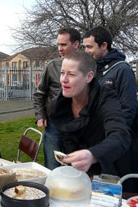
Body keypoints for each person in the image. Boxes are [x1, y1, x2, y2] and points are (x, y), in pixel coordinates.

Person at [49, 51, 135, 191]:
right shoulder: (58, 106)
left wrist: (93, 154)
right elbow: (68, 141)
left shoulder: (106, 99)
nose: (63, 79)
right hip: (83, 177)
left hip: (116, 172)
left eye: (71, 74)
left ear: (89, 77)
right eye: (62, 73)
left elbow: (120, 135)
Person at [33, 28, 81, 170]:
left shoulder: (87, 66)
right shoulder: (52, 66)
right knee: (52, 167)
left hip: (78, 125)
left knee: (76, 167)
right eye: (58, 45)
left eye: (64, 45)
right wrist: (40, 115)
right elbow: (39, 93)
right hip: (54, 125)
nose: (60, 48)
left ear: (76, 44)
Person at [83, 26, 137, 127]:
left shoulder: (122, 69)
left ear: (104, 45)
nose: (86, 51)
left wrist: (114, 135)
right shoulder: (90, 69)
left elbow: (128, 109)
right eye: (85, 47)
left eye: (90, 47)